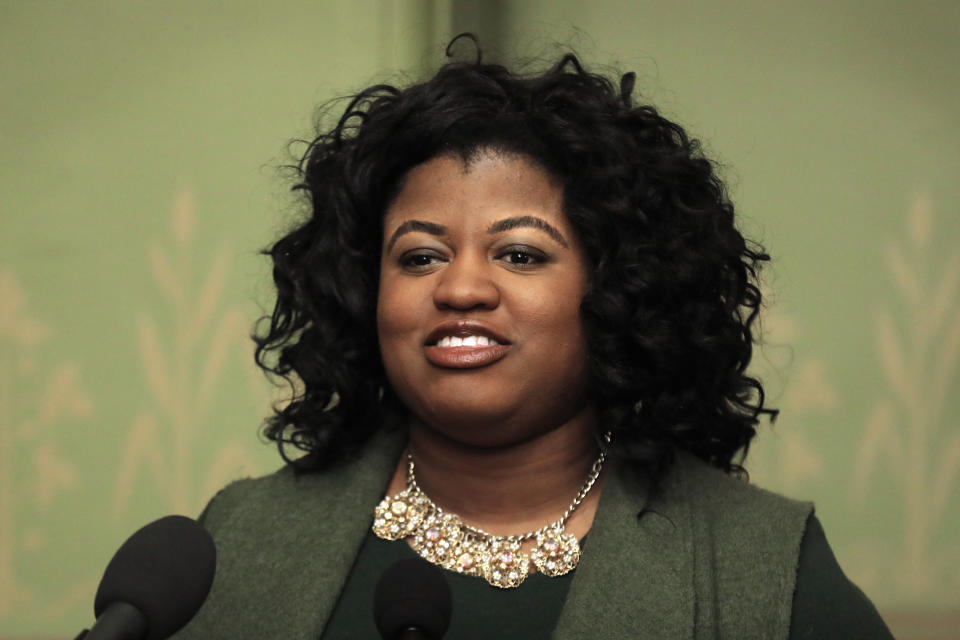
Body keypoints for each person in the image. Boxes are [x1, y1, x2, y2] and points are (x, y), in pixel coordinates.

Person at [173, 36, 893, 639]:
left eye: (520, 254)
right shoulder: (238, 539)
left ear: (620, 292)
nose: (459, 289)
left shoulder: (759, 565)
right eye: (420, 257)